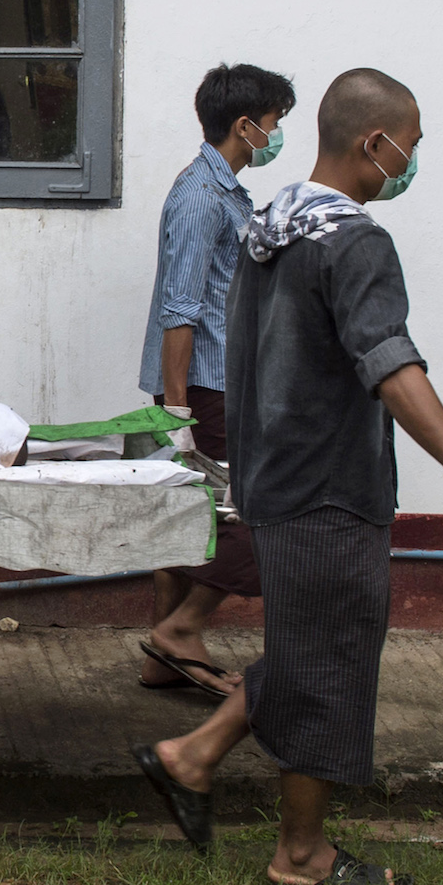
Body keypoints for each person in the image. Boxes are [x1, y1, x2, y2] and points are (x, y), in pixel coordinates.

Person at [133, 68, 443, 885]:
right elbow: (391, 362)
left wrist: (241, 467)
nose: (414, 159)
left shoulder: (272, 224)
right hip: (330, 494)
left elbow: (236, 357)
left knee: (304, 648)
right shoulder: (355, 242)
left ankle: (192, 755)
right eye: (412, 146)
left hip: (277, 484)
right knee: (330, 665)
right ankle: (302, 856)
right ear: (374, 143)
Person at [135, 63, 297, 698]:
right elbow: (180, 311)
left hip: (213, 384)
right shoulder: (201, 196)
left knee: (187, 517)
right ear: (244, 126)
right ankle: (182, 630)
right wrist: (177, 414)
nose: (277, 135)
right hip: (203, 390)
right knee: (252, 518)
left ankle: (162, 654)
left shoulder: (225, 190)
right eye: (274, 124)